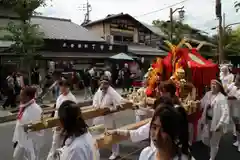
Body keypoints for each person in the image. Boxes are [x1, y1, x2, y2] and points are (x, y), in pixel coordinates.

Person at [92, 76, 124, 160]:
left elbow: (119, 104)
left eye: (105, 84)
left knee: (111, 135)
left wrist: (109, 109)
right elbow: (94, 101)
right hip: (98, 117)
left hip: (108, 117)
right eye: (102, 83)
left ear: (108, 84)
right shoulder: (99, 90)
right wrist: (96, 106)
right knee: (96, 134)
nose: (103, 85)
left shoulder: (112, 92)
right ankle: (96, 151)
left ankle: (115, 153)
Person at [47, 80, 77, 160]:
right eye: (61, 86)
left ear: (68, 87)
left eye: (64, 86)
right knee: (55, 144)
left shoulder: (71, 98)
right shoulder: (60, 96)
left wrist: (63, 127)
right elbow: (56, 110)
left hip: (65, 125)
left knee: (62, 144)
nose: (62, 88)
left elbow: (72, 115)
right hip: (57, 123)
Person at [200, 79, 230, 160]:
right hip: (208, 121)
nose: (212, 85)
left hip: (217, 122)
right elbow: (201, 103)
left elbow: (225, 112)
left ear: (219, 87)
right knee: (208, 138)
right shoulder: (208, 94)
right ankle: (212, 152)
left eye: (215, 84)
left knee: (214, 141)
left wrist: (220, 124)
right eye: (211, 84)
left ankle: (212, 158)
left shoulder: (222, 98)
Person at [12, 87, 44, 160]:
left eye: (22, 95)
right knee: (16, 156)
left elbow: (38, 127)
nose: (19, 97)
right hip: (21, 139)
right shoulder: (24, 105)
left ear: (28, 97)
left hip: (31, 140)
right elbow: (20, 120)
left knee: (32, 158)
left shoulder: (35, 109)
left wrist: (28, 127)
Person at [227, 74, 240, 152]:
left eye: (237, 79)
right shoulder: (233, 86)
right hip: (234, 110)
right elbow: (226, 90)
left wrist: (224, 96)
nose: (235, 80)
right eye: (235, 78)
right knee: (236, 127)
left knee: (239, 127)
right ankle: (238, 141)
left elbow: (233, 97)